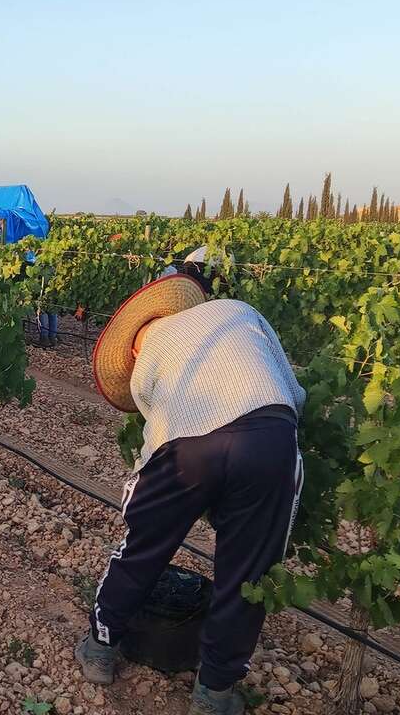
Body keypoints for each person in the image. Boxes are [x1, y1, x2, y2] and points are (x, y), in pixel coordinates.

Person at [78, 274, 305, 715]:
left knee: (141, 550)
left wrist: (142, 510)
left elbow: (160, 442)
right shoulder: (237, 311)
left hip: (188, 450)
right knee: (248, 573)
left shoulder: (147, 366)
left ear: (133, 348)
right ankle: (214, 693)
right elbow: (294, 393)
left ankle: (99, 650)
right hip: (271, 434)